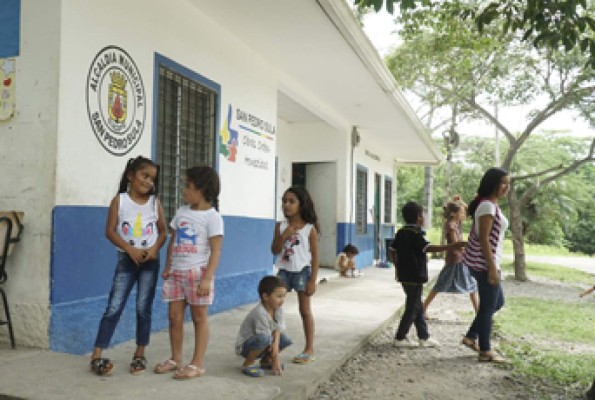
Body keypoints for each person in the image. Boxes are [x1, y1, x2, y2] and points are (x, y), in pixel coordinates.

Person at [90, 156, 167, 376]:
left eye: (152, 178)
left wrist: (154, 249)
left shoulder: (155, 203)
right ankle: (97, 355)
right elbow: (110, 231)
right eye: (144, 176)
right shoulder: (120, 201)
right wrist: (129, 249)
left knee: (144, 308)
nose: (148, 182)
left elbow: (163, 231)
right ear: (131, 176)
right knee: (114, 307)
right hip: (127, 261)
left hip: (149, 263)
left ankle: (140, 354)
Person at [153, 166, 223, 379]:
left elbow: (216, 250)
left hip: (197, 274)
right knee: (174, 317)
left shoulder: (213, 217)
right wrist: (168, 266)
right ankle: (176, 359)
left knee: (199, 318)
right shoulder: (182, 212)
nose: (184, 191)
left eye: (188, 186)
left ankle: (197, 363)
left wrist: (207, 278)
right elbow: (173, 240)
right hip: (177, 273)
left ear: (202, 190)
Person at [391, 201, 466, 348]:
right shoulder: (416, 233)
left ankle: (423, 336)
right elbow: (428, 248)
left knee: (417, 304)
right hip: (415, 275)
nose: (424, 218)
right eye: (423, 215)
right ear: (419, 217)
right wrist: (451, 246)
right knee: (412, 307)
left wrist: (397, 267)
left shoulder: (401, 232)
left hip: (405, 275)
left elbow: (392, 251)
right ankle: (400, 337)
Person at [461, 167, 510, 363]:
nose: (506, 187)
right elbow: (484, 239)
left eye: (508, 183)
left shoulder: (490, 205)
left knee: (496, 303)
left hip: (489, 263)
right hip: (485, 264)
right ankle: (485, 350)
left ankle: (471, 336)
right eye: (503, 183)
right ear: (493, 184)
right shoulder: (488, 206)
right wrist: (491, 268)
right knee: (490, 305)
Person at [271, 186, 320, 364]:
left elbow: (315, 257)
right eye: (284, 201)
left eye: (292, 201)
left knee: (304, 310)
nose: (286, 205)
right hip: (283, 271)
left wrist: (312, 280)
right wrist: (284, 235)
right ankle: (272, 347)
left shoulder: (309, 229)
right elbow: (274, 249)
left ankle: (309, 348)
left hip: (302, 271)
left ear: (302, 204)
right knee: (274, 309)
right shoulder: (280, 226)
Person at [423, 196, 478, 318]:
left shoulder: (456, 222)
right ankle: (423, 308)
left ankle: (478, 313)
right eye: (461, 212)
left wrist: (461, 201)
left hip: (460, 259)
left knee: (471, 284)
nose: (464, 214)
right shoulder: (451, 225)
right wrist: (468, 249)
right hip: (455, 259)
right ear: (454, 214)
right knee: (442, 284)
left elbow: (469, 211)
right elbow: (455, 245)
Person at [235, 276, 293, 377]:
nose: (282, 300)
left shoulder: (278, 309)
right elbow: (264, 337)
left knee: (285, 339)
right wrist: (276, 359)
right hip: (247, 347)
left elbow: (277, 330)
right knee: (265, 338)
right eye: (279, 296)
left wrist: (275, 351)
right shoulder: (260, 312)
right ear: (266, 296)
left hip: (265, 341)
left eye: (284, 296)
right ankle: (248, 364)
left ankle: (265, 361)